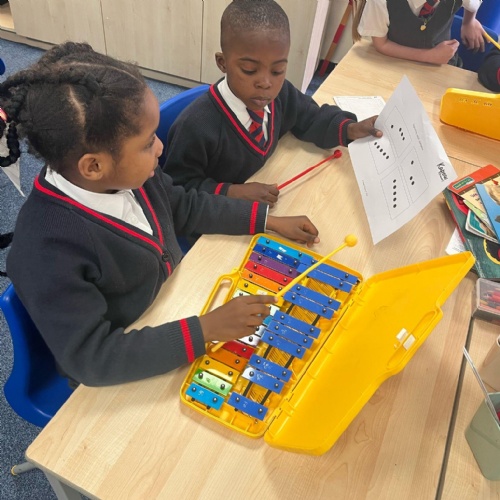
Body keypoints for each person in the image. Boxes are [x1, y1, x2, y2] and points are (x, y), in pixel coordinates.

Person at [1, 41, 321, 387]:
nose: (160, 147)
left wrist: (265, 220)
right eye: (147, 143)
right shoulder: (45, 252)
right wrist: (206, 330)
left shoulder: (132, 176)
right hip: (128, 362)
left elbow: (183, 205)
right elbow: (92, 358)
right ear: (93, 166)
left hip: (173, 305)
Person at [163, 0, 382, 207]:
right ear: (222, 63)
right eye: (249, 70)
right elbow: (178, 192)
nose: (266, 83)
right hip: (218, 219)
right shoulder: (195, 126)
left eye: (277, 71)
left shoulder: (281, 94)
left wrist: (349, 129)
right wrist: (232, 192)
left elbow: (309, 116)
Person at [352, 0, 484, 66]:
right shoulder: (380, 2)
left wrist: (469, 22)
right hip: (394, 63)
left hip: (439, 71)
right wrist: (429, 56)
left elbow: (473, 4)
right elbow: (381, 44)